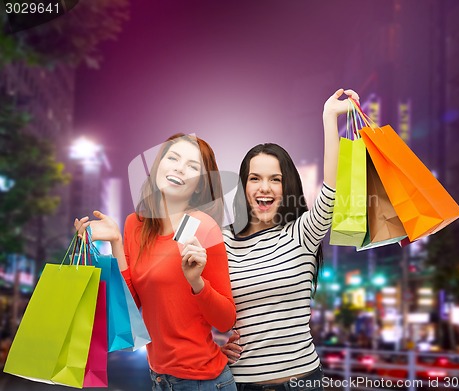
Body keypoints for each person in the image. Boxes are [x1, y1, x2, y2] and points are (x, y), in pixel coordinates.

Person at [74, 133, 237, 390]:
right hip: (158, 379)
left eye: (193, 166)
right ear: (158, 165)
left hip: (204, 382)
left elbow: (226, 321)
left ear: (199, 184)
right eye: (172, 158)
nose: (179, 168)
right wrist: (116, 241)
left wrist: (197, 282)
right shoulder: (135, 225)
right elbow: (131, 306)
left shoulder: (202, 227)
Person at [221, 88, 360, 390]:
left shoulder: (302, 233)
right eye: (255, 178)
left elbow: (332, 190)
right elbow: (197, 303)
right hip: (242, 384)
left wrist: (328, 117)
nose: (264, 188)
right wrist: (214, 346)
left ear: (287, 186)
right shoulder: (223, 241)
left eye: (275, 179)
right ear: (243, 186)